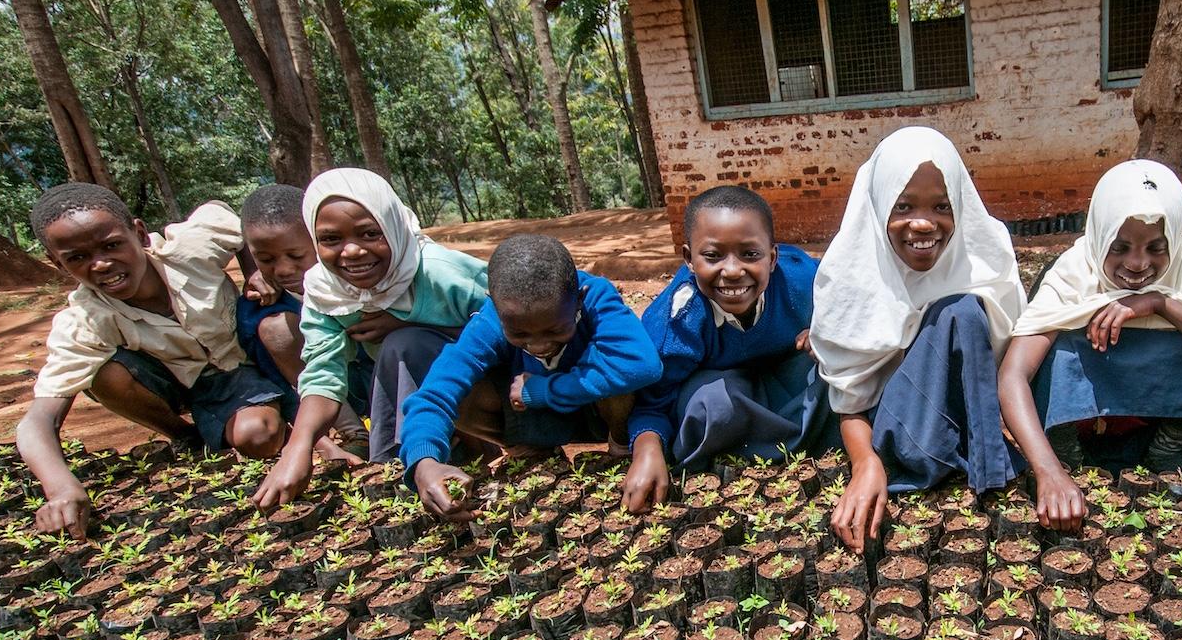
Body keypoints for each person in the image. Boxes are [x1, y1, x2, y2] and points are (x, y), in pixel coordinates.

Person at [1000, 160, 1182, 531]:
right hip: (1088, 417)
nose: (1137, 263)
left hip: (1157, 407)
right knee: (1055, 349)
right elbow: (1013, 375)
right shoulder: (1075, 271)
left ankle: (1165, 448)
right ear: (1100, 235)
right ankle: (1070, 455)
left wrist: (1161, 304)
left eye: (1156, 248)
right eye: (1119, 247)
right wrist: (1049, 470)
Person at [17, 183, 286, 535]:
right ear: (58, 263)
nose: (100, 264)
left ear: (140, 234)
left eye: (112, 245)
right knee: (102, 375)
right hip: (176, 384)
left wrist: (255, 269)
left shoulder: (189, 249)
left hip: (239, 366)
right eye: (77, 258)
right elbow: (37, 422)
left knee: (259, 437)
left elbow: (238, 222)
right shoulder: (84, 319)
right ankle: (186, 436)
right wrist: (61, 487)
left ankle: (237, 416)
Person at [810, 125, 1025, 553]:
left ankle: (986, 471)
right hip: (894, 434)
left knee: (962, 309)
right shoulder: (849, 276)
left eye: (942, 206)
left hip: (961, 425)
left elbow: (1004, 362)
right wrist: (865, 464)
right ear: (878, 206)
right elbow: (849, 400)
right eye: (903, 205)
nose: (923, 222)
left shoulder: (984, 258)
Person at [252, 169, 490, 511]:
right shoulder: (325, 290)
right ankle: (411, 463)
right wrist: (299, 446)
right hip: (399, 387)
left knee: (404, 345)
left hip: (484, 387)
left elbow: (512, 331)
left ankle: (481, 450)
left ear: (392, 225)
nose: (352, 251)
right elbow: (323, 374)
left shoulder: (440, 274)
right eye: (331, 239)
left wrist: (406, 322)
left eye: (369, 233)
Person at [401, 234, 661, 519]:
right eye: (520, 334)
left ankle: (621, 448)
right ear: (497, 309)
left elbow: (642, 363)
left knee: (620, 366)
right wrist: (423, 461)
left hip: (598, 413)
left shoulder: (596, 297)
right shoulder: (492, 319)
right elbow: (435, 393)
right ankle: (529, 451)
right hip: (527, 415)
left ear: (578, 301)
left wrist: (542, 390)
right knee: (464, 391)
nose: (538, 345)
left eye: (554, 331)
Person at [620, 185, 822, 513]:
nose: (731, 271)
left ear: (772, 258)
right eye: (713, 256)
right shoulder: (679, 319)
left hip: (785, 381)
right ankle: (769, 451)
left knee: (832, 370)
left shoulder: (803, 279)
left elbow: (850, 304)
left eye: (750, 254)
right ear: (688, 259)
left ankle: (769, 449)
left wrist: (826, 331)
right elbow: (652, 403)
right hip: (722, 395)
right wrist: (646, 450)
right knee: (712, 405)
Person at [237, 183, 367, 456]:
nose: (283, 270)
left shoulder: (362, 272)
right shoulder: (261, 308)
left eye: (296, 255)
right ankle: (354, 432)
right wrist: (318, 444)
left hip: (377, 378)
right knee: (278, 330)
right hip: (324, 395)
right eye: (266, 259)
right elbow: (285, 384)